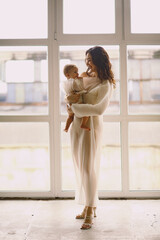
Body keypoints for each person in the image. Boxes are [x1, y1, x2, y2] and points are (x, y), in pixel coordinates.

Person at [66, 46, 116, 230]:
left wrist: (75, 109)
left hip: (91, 127)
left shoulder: (106, 84)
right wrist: (69, 103)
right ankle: (89, 204)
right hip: (77, 127)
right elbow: (72, 95)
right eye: (86, 59)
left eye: (90, 59)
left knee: (89, 167)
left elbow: (99, 109)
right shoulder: (83, 79)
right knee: (80, 165)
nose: (87, 62)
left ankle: (90, 210)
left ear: (99, 60)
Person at [63, 64, 90, 132]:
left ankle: (66, 128)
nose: (78, 73)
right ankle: (83, 124)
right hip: (77, 103)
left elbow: (67, 93)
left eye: (77, 71)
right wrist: (81, 81)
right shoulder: (74, 81)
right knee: (87, 112)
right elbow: (79, 88)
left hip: (69, 106)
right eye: (75, 72)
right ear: (68, 75)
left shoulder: (65, 83)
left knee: (70, 117)